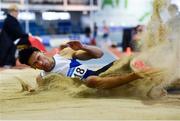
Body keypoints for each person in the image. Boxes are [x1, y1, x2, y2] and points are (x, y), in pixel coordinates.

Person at [18, 40, 142, 91]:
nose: (40, 63)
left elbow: (99, 54)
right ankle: (136, 76)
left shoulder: (64, 54)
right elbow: (42, 92)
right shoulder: (41, 78)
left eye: (39, 58)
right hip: (89, 87)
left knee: (127, 59)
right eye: (35, 63)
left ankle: (154, 74)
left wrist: (84, 47)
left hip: (100, 75)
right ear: (34, 67)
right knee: (90, 81)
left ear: (42, 52)